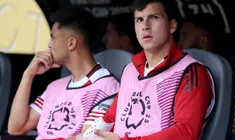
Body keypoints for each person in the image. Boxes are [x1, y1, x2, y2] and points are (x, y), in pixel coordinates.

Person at [77, 0, 215, 139]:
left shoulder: (190, 71)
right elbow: (109, 118)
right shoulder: (130, 70)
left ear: (172, 26)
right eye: (139, 20)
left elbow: (185, 133)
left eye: (154, 17)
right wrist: (82, 138)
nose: (145, 26)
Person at [7, 7, 119, 140]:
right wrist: (28, 75)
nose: (49, 45)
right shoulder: (54, 87)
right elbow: (16, 128)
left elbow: (87, 137)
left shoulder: (107, 86)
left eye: (53, 38)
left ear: (71, 43)